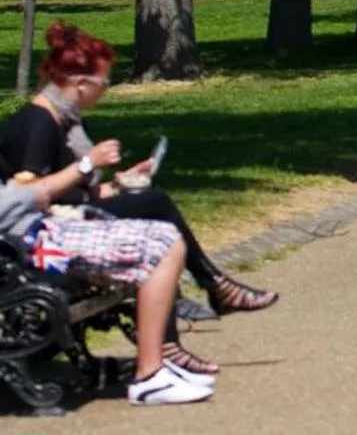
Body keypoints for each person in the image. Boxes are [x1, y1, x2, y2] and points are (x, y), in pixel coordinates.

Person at [0, 24, 278, 373]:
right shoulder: (37, 124)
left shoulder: (64, 121)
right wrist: (88, 163)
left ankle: (189, 316)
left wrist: (121, 184)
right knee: (156, 206)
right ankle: (207, 293)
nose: (104, 90)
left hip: (67, 217)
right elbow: (30, 195)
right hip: (40, 235)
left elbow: (78, 192)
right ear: (79, 82)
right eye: (103, 83)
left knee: (151, 204)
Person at [0, 165, 207, 403]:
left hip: (38, 233)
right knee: (162, 245)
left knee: (165, 233)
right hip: (30, 245)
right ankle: (150, 375)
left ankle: (156, 364)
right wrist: (37, 192)